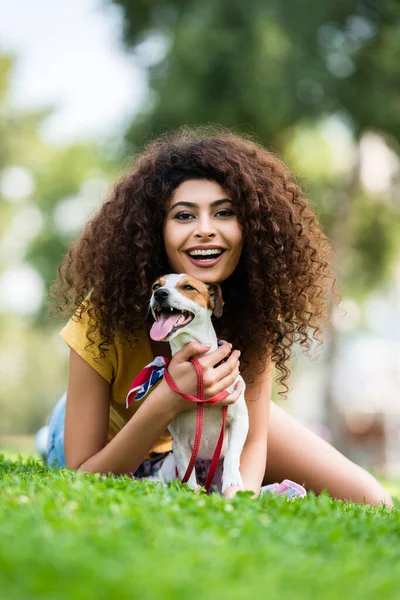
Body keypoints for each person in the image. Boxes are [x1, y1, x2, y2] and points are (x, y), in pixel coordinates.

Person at [36, 126, 392, 506]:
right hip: (114, 440)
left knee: (372, 499)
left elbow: (253, 441)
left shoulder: (255, 311)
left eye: (224, 213)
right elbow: (82, 477)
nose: (205, 230)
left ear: (250, 226)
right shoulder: (104, 311)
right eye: (184, 216)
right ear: (157, 230)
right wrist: (171, 397)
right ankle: (47, 437)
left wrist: (240, 497)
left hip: (212, 429)